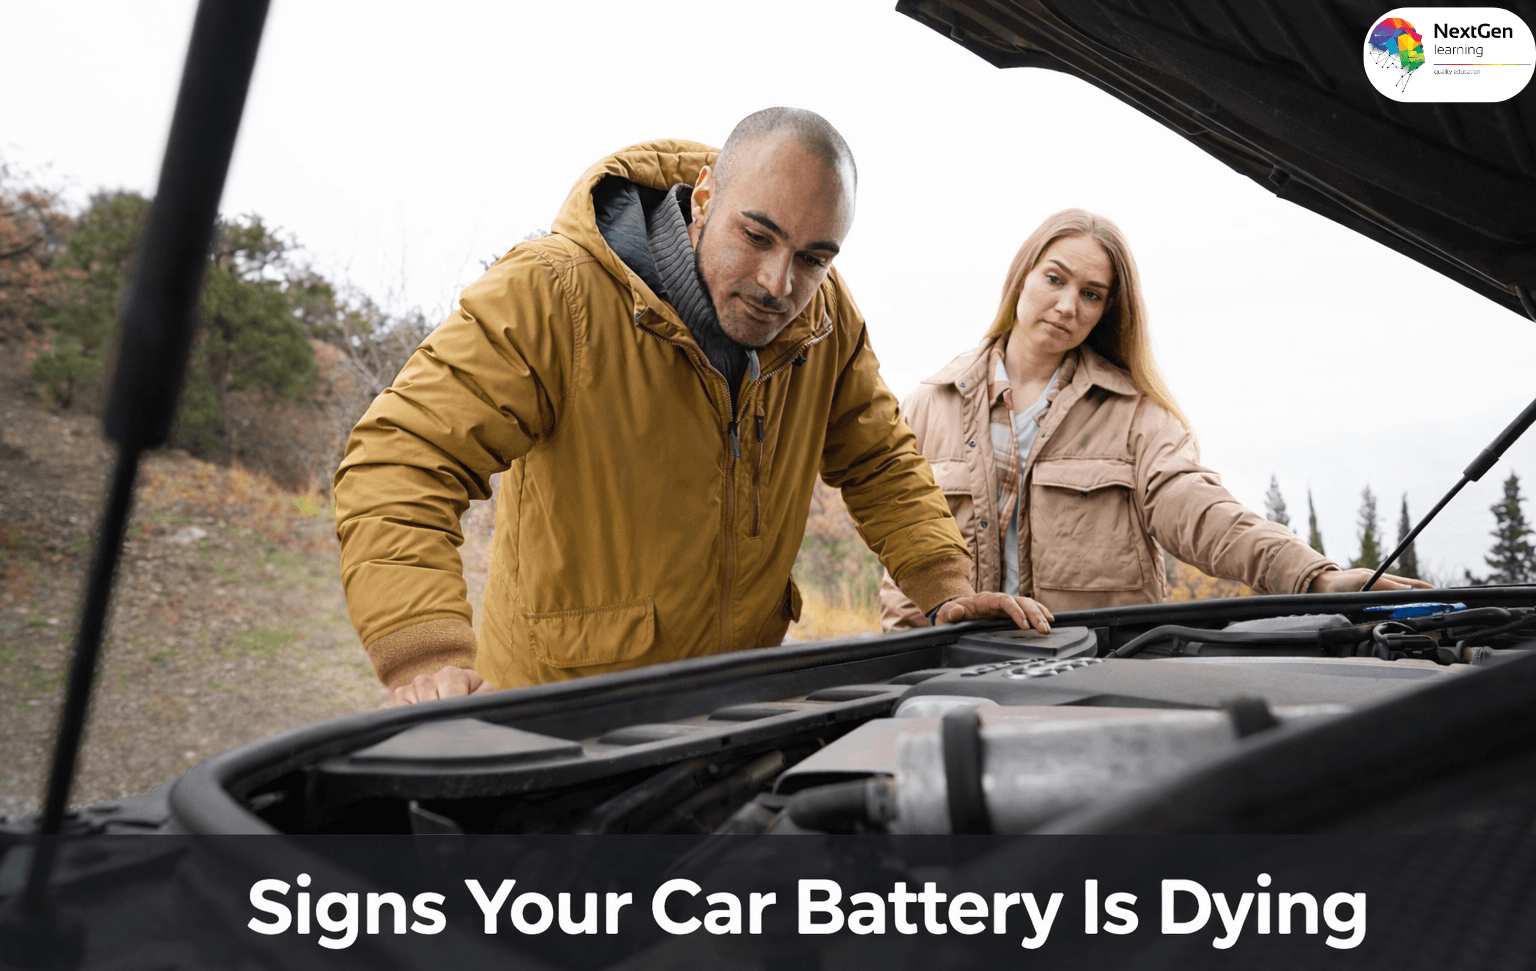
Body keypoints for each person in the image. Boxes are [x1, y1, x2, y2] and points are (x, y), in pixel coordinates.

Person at [334, 108, 1052, 708]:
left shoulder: (826, 319)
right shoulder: (553, 293)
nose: (779, 282)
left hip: (731, 714)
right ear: (704, 197)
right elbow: (402, 459)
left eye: (813, 258)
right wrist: (424, 651)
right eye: (758, 236)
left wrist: (945, 589)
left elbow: (880, 461)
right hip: (556, 722)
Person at [880, 209, 1428, 629]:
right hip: (949, 679)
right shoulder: (928, 406)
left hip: (1099, 678)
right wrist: (902, 668)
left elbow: (1201, 512)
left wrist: (1313, 578)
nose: (1069, 305)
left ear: (1105, 312)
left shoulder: (1138, 417)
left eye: (1090, 294)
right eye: (1055, 279)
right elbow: (902, 562)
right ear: (1022, 275)